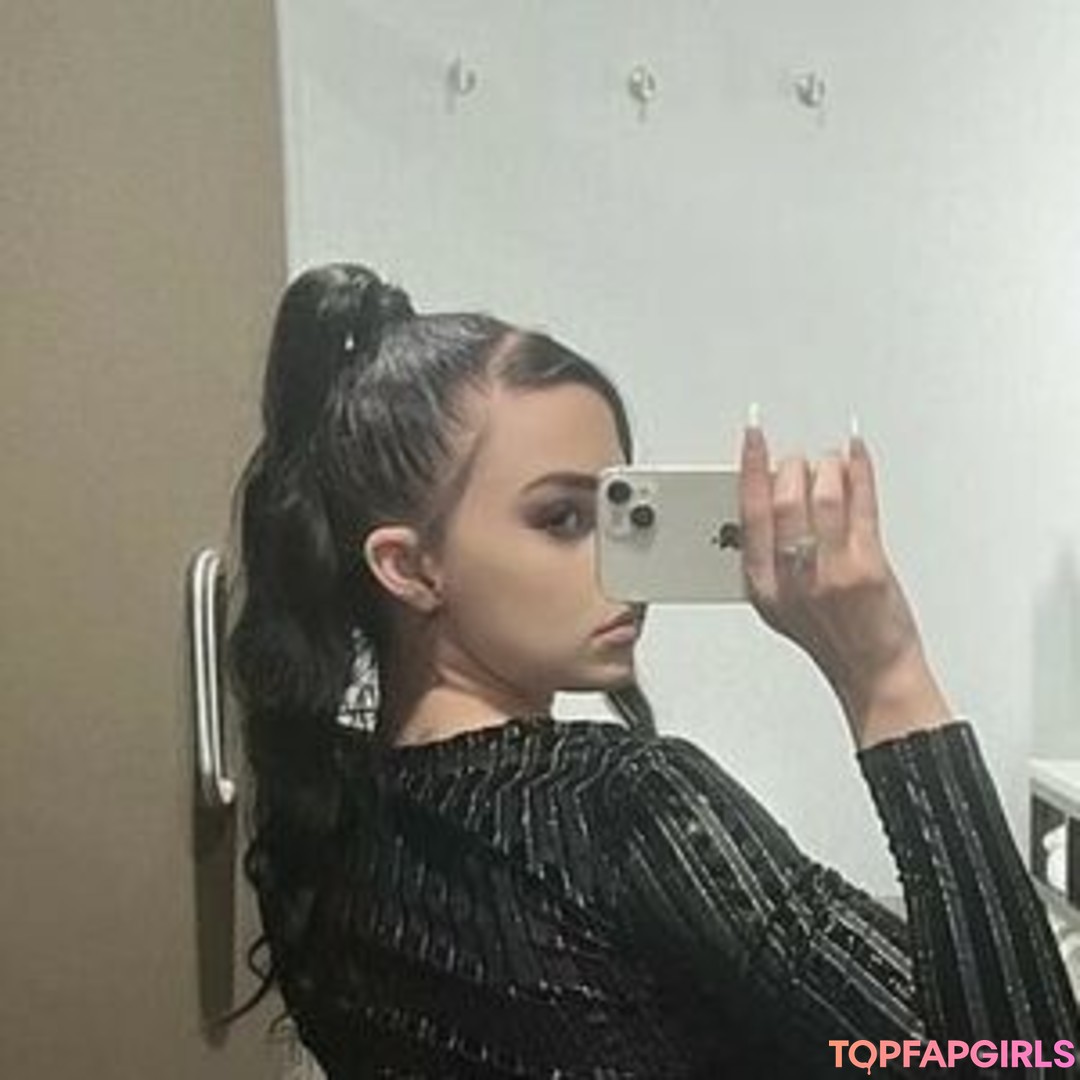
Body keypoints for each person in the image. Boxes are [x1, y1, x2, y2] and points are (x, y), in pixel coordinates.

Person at [229, 262, 1079, 1078]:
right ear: (410, 567)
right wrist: (886, 674)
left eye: (621, 509)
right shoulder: (622, 805)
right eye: (562, 518)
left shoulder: (322, 816)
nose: (620, 568)